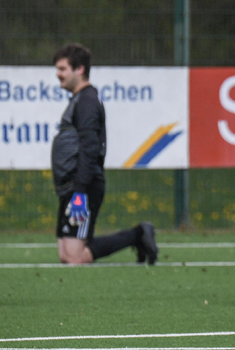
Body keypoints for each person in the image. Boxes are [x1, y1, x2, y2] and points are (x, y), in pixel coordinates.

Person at [51, 43, 158, 265]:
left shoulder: (87, 101)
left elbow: (90, 148)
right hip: (71, 185)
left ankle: (138, 234)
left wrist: (80, 192)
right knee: (65, 254)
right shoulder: (80, 99)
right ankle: (138, 235)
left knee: (74, 257)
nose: (58, 74)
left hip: (82, 185)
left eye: (62, 69)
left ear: (79, 70)